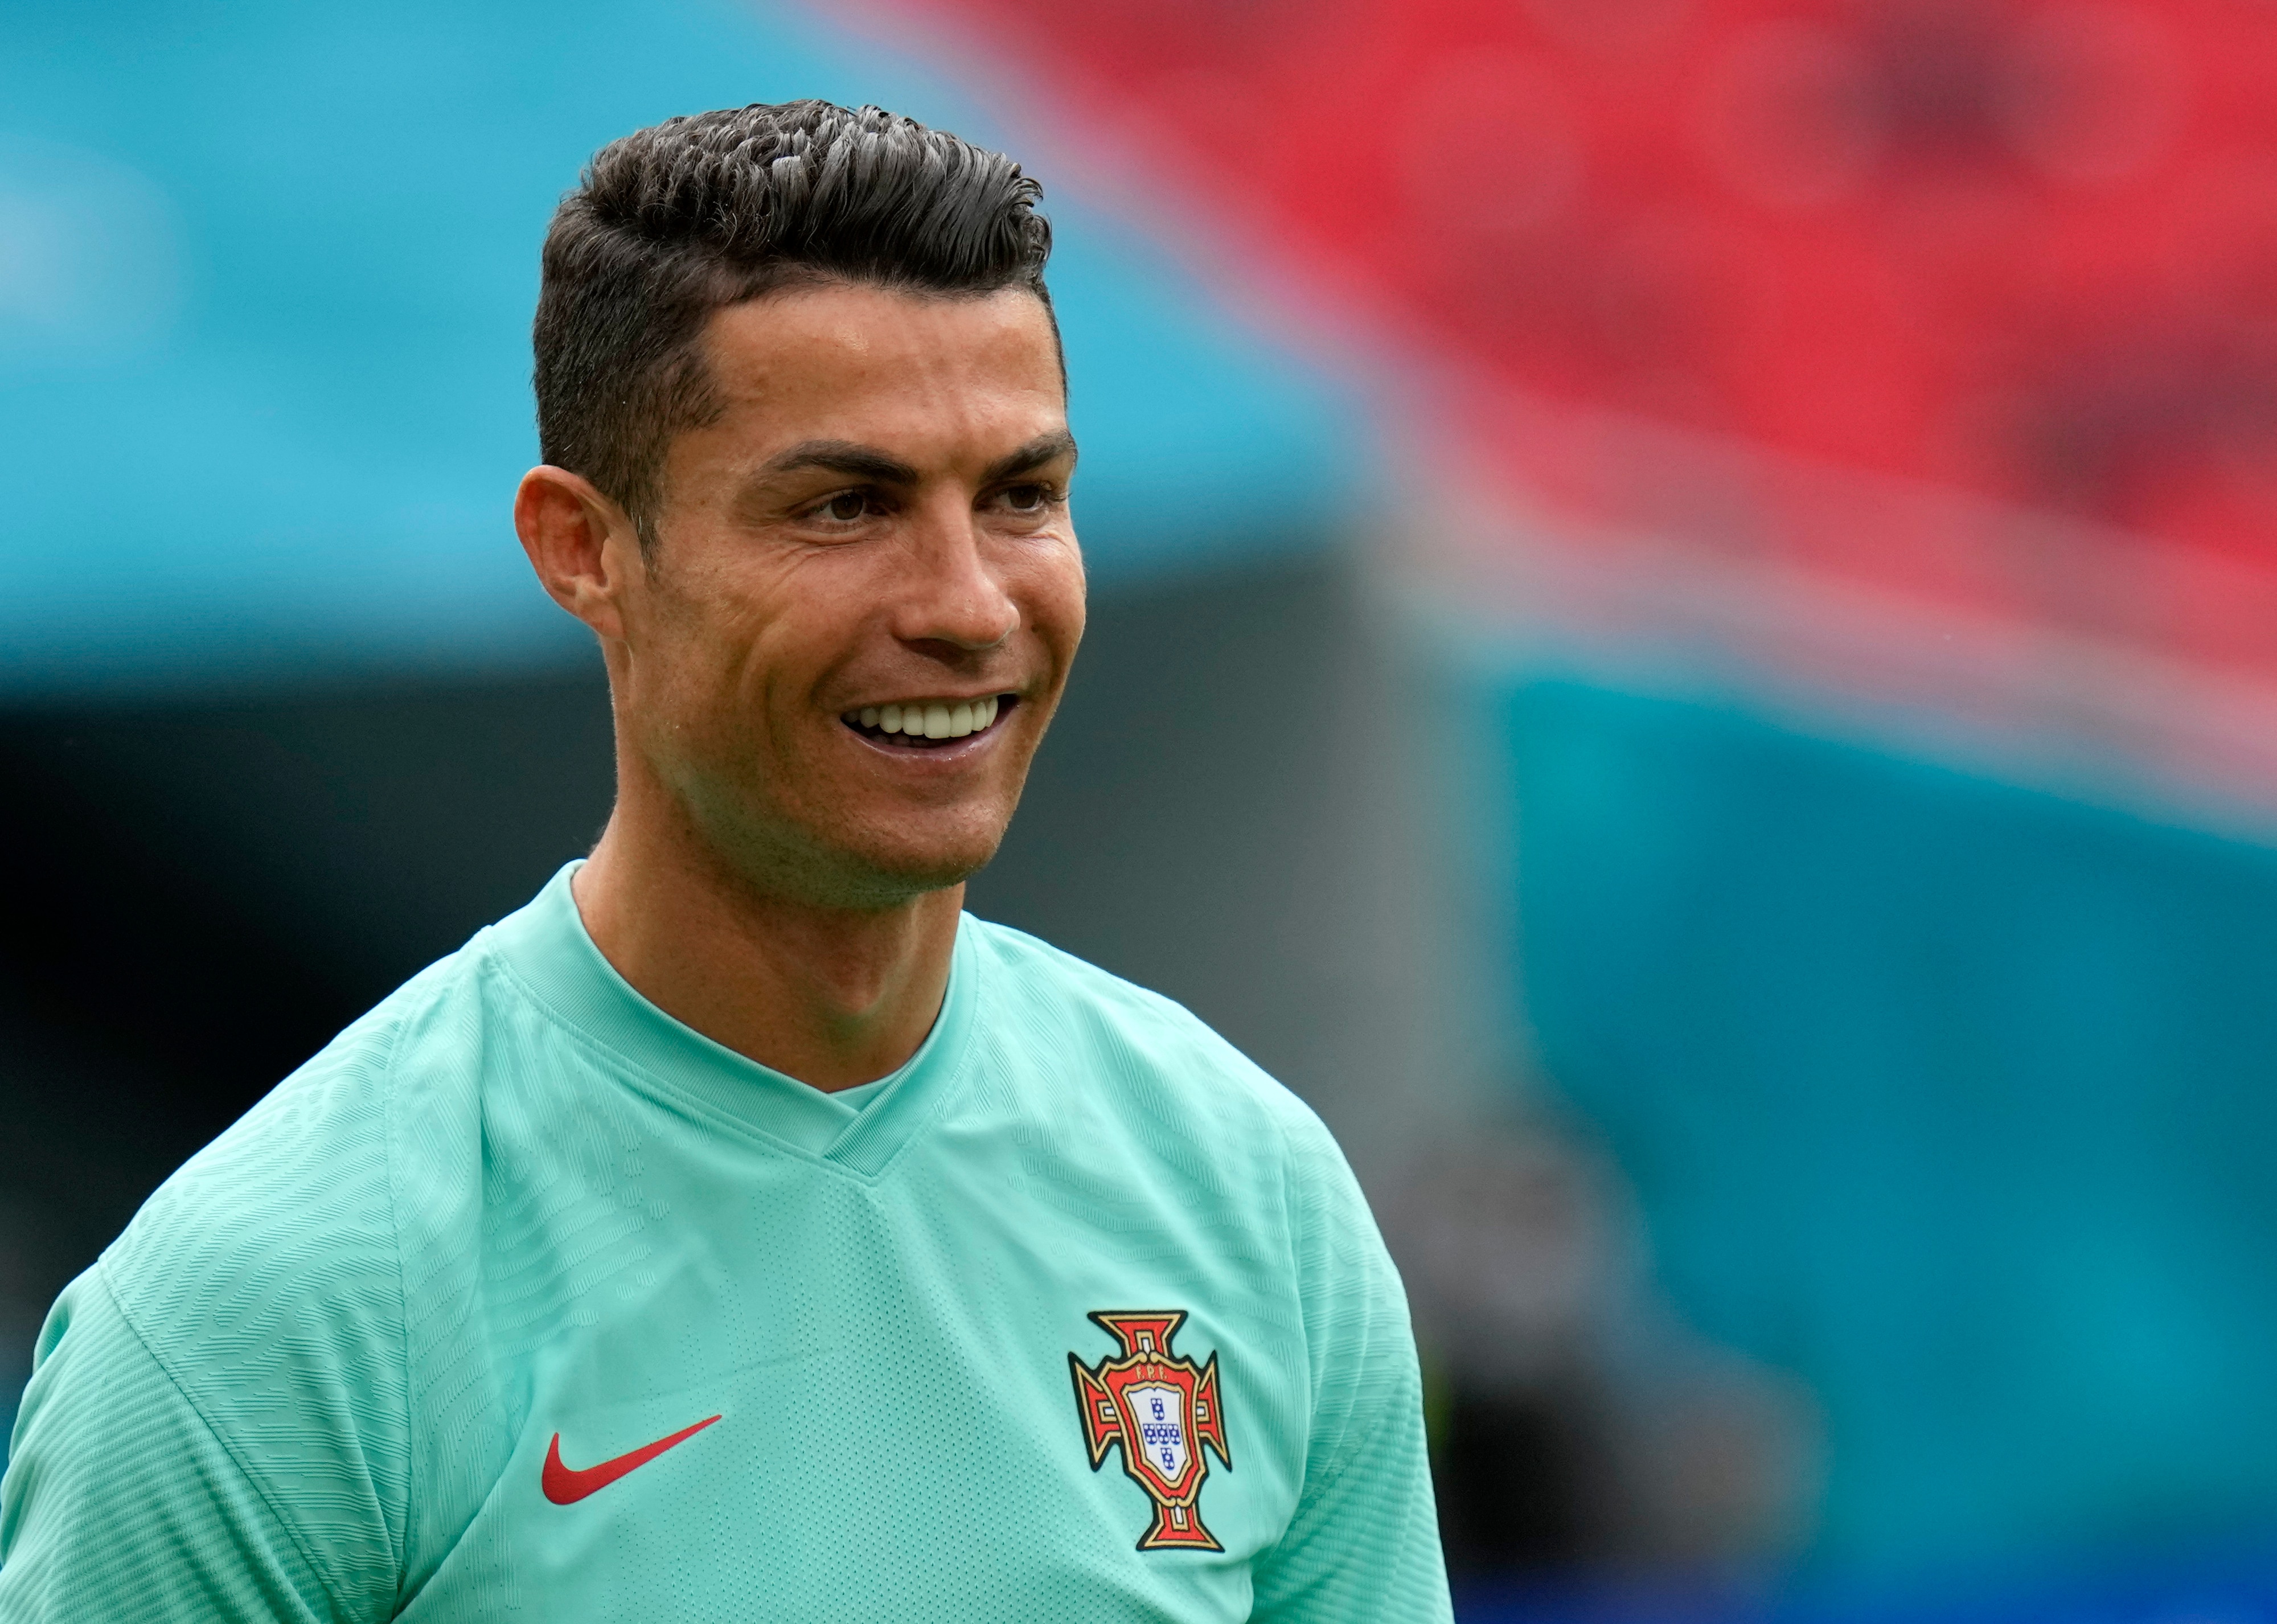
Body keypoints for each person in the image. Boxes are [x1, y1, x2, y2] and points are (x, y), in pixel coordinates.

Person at [0, 101, 1451, 1622]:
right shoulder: (273, 1307)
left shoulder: (1248, 1194)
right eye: (846, 505)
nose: (968, 603)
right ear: (584, 550)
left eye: (1021, 495)